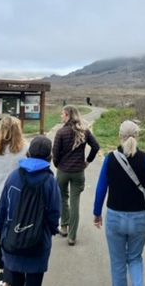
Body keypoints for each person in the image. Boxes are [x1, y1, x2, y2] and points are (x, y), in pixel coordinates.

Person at [93, 120, 145, 286]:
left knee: (118, 263)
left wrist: (97, 213)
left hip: (115, 218)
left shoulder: (109, 159)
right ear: (137, 136)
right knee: (135, 258)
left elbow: (101, 189)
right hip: (139, 218)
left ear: (119, 136)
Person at [0, 135, 61, 286]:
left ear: (28, 153)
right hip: (38, 244)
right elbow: (54, 213)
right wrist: (50, 231)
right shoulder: (50, 181)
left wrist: (2, 232)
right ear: (49, 157)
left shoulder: (13, 177)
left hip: (13, 242)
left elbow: (2, 210)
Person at [0, 116, 29, 285]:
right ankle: (15, 273)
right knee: (18, 235)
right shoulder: (25, 149)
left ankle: (3, 270)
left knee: (1, 235)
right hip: (19, 200)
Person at [53, 104, 100, 246]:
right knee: (75, 202)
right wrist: (88, 161)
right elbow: (96, 146)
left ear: (68, 116)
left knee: (62, 198)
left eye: (62, 114)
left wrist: (58, 165)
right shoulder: (84, 131)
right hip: (78, 171)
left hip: (63, 171)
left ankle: (64, 226)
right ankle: (72, 236)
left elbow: (55, 153)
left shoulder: (61, 133)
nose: (61, 116)